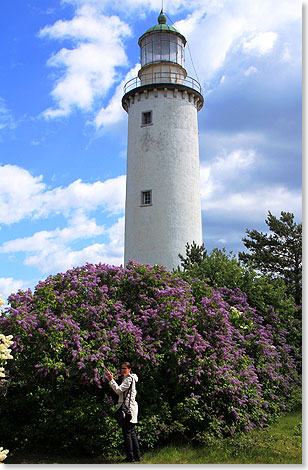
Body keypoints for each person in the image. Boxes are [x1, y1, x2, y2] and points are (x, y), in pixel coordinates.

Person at [107, 362, 141, 463]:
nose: (122, 370)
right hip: (130, 409)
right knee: (132, 433)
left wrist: (111, 380)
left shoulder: (129, 379)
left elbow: (118, 390)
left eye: (124, 368)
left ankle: (130, 457)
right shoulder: (129, 378)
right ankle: (136, 456)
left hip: (128, 410)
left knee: (127, 434)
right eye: (121, 368)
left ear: (129, 369)